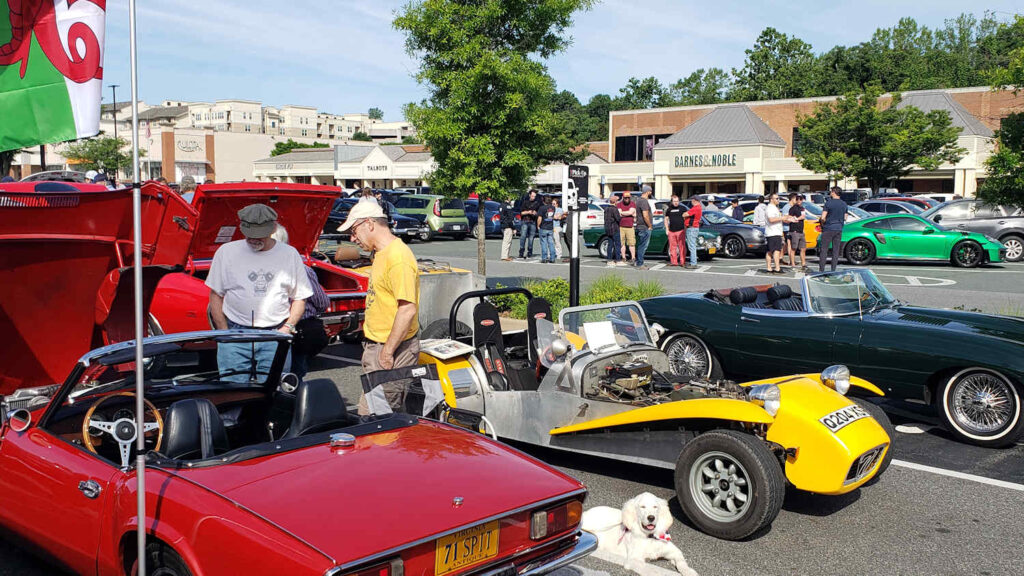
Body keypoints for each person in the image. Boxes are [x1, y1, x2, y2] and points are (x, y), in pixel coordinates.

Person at [206, 204, 313, 382]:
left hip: (275, 334)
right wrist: (224, 332)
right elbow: (216, 295)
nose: (253, 239)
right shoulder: (226, 252)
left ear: (272, 230)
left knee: (274, 394)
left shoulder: (289, 254)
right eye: (249, 235)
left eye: (259, 235)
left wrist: (287, 328)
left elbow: (300, 297)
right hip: (235, 332)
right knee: (232, 393)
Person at [338, 201, 421, 413]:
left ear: (369, 224)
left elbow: (407, 309)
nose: (353, 238)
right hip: (379, 346)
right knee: (385, 418)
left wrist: (387, 352)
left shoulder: (398, 257)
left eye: (354, 230)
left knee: (374, 418)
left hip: (390, 349)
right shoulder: (382, 253)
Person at [270, 225, 330, 382]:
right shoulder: (302, 269)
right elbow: (322, 302)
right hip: (299, 330)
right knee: (295, 374)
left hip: (275, 330)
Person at [819, 186, 848, 272]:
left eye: (831, 191)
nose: (830, 193)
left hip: (828, 228)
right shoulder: (844, 204)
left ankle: (822, 270)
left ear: (834, 192)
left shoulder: (829, 203)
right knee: (836, 250)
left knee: (824, 249)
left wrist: (822, 223)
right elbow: (845, 217)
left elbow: (823, 217)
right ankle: (833, 269)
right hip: (839, 228)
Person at [763, 192, 787, 274]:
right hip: (773, 232)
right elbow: (771, 219)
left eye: (778, 198)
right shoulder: (770, 208)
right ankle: (777, 268)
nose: (778, 200)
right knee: (776, 250)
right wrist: (782, 217)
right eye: (776, 198)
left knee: (770, 251)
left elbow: (778, 219)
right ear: (771, 199)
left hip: (775, 232)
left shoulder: (774, 208)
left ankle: (769, 268)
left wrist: (787, 218)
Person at [664, 195, 687, 266]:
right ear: (672, 202)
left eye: (677, 201)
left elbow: (686, 219)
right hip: (671, 231)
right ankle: (674, 262)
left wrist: (685, 229)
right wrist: (667, 229)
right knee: (672, 247)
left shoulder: (683, 208)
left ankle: (682, 262)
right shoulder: (669, 209)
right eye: (674, 201)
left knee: (682, 247)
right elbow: (666, 219)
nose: (676, 203)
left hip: (680, 231)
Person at [634, 185, 654, 268]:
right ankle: (640, 263)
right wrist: (650, 225)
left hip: (640, 226)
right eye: (650, 191)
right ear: (648, 192)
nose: (651, 193)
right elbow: (645, 215)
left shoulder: (638, 200)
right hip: (644, 226)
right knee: (643, 246)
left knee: (641, 245)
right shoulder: (644, 201)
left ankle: (637, 261)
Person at [518, 189, 541, 259]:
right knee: (523, 236)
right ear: (529, 195)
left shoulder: (537, 203)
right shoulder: (525, 202)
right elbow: (521, 213)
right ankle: (521, 252)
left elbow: (539, 213)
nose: (533, 197)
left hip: (533, 221)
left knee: (531, 238)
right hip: (525, 221)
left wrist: (535, 213)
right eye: (532, 196)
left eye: (534, 196)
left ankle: (530, 252)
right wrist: (528, 212)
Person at [786, 194, 807, 270]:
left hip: (801, 230)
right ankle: (793, 264)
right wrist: (797, 218)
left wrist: (799, 218)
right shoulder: (792, 209)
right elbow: (789, 218)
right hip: (794, 230)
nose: (799, 201)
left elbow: (803, 216)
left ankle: (803, 263)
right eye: (797, 199)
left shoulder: (802, 208)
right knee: (793, 248)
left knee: (803, 248)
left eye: (800, 199)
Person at [617, 192, 637, 265]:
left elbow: (631, 212)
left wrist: (623, 213)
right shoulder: (619, 204)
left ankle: (633, 257)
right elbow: (619, 213)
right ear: (623, 197)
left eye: (628, 197)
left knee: (631, 243)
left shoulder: (632, 204)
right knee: (622, 243)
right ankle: (623, 257)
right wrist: (628, 213)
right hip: (621, 226)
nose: (627, 199)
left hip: (630, 226)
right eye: (626, 198)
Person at [683, 197, 703, 268]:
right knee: (692, 246)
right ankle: (693, 262)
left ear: (694, 201)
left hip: (692, 228)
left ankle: (693, 263)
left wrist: (685, 214)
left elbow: (685, 214)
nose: (691, 202)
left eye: (692, 200)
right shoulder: (699, 208)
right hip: (694, 228)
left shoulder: (696, 208)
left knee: (692, 246)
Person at [604, 193, 621, 267]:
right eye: (617, 201)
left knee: (610, 245)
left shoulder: (606, 209)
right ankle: (618, 260)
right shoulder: (615, 209)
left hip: (608, 229)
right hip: (615, 229)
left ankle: (609, 259)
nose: (618, 202)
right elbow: (618, 219)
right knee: (617, 245)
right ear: (615, 202)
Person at [537, 195, 556, 263]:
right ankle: (552, 258)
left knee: (543, 243)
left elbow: (540, 218)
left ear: (543, 201)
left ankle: (544, 258)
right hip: (550, 227)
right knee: (551, 243)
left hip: (543, 227)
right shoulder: (553, 208)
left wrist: (538, 225)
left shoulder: (542, 208)